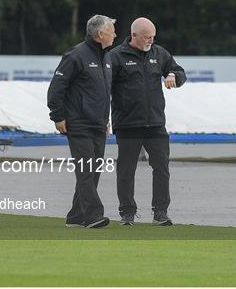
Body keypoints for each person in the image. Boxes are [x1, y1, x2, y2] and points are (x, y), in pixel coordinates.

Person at [107, 17, 186, 226]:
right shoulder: (115, 56)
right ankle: (127, 212)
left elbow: (180, 72)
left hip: (156, 124)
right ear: (134, 36)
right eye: (146, 38)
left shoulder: (159, 53)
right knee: (126, 170)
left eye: (153, 37)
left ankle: (160, 212)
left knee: (162, 168)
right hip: (127, 124)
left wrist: (172, 76)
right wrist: (103, 118)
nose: (150, 41)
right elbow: (103, 88)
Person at [47, 15, 116, 228]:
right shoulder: (76, 55)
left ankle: (76, 216)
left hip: (98, 123)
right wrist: (57, 116)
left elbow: (102, 92)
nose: (115, 34)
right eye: (112, 30)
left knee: (93, 170)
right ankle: (94, 215)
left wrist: (105, 119)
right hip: (79, 123)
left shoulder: (106, 57)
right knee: (85, 170)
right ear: (100, 34)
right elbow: (56, 87)